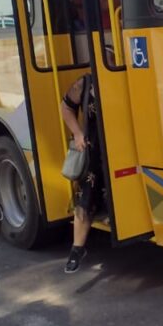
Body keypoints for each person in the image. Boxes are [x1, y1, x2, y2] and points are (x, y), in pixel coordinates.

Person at [60, 73, 105, 274]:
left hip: (121, 150)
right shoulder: (84, 84)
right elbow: (66, 106)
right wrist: (78, 133)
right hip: (94, 150)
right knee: (85, 197)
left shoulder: (125, 76)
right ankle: (77, 250)